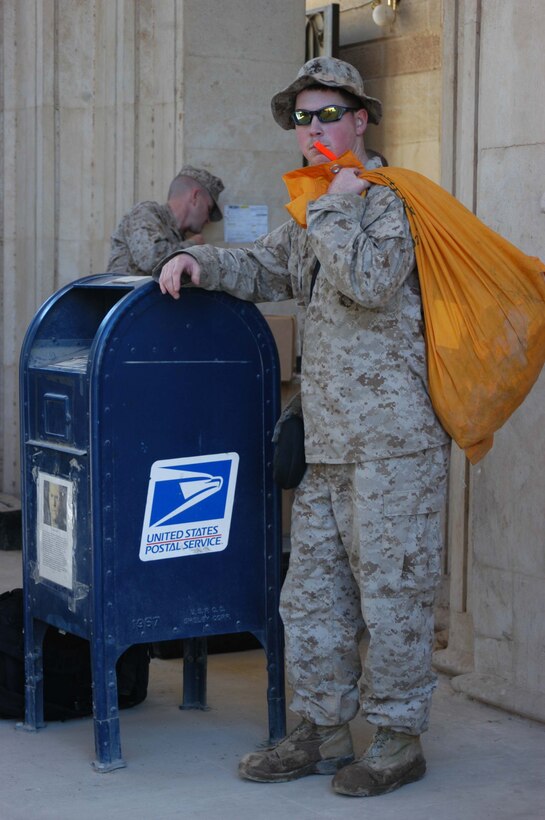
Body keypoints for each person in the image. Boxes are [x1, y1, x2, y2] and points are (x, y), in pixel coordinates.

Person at [154, 57, 451, 798]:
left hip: (394, 444)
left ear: (360, 121)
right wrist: (196, 257)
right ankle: (319, 732)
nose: (313, 131)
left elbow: (368, 281)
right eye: (300, 119)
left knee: (393, 596)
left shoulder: (392, 203)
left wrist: (337, 204)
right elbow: (269, 268)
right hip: (326, 443)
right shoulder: (317, 205)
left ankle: (394, 739)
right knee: (312, 595)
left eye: (328, 115)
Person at [106, 166, 224, 276]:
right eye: (208, 208)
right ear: (195, 197)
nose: (208, 220)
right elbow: (150, 259)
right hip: (126, 296)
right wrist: (193, 246)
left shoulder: (178, 238)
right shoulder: (146, 212)